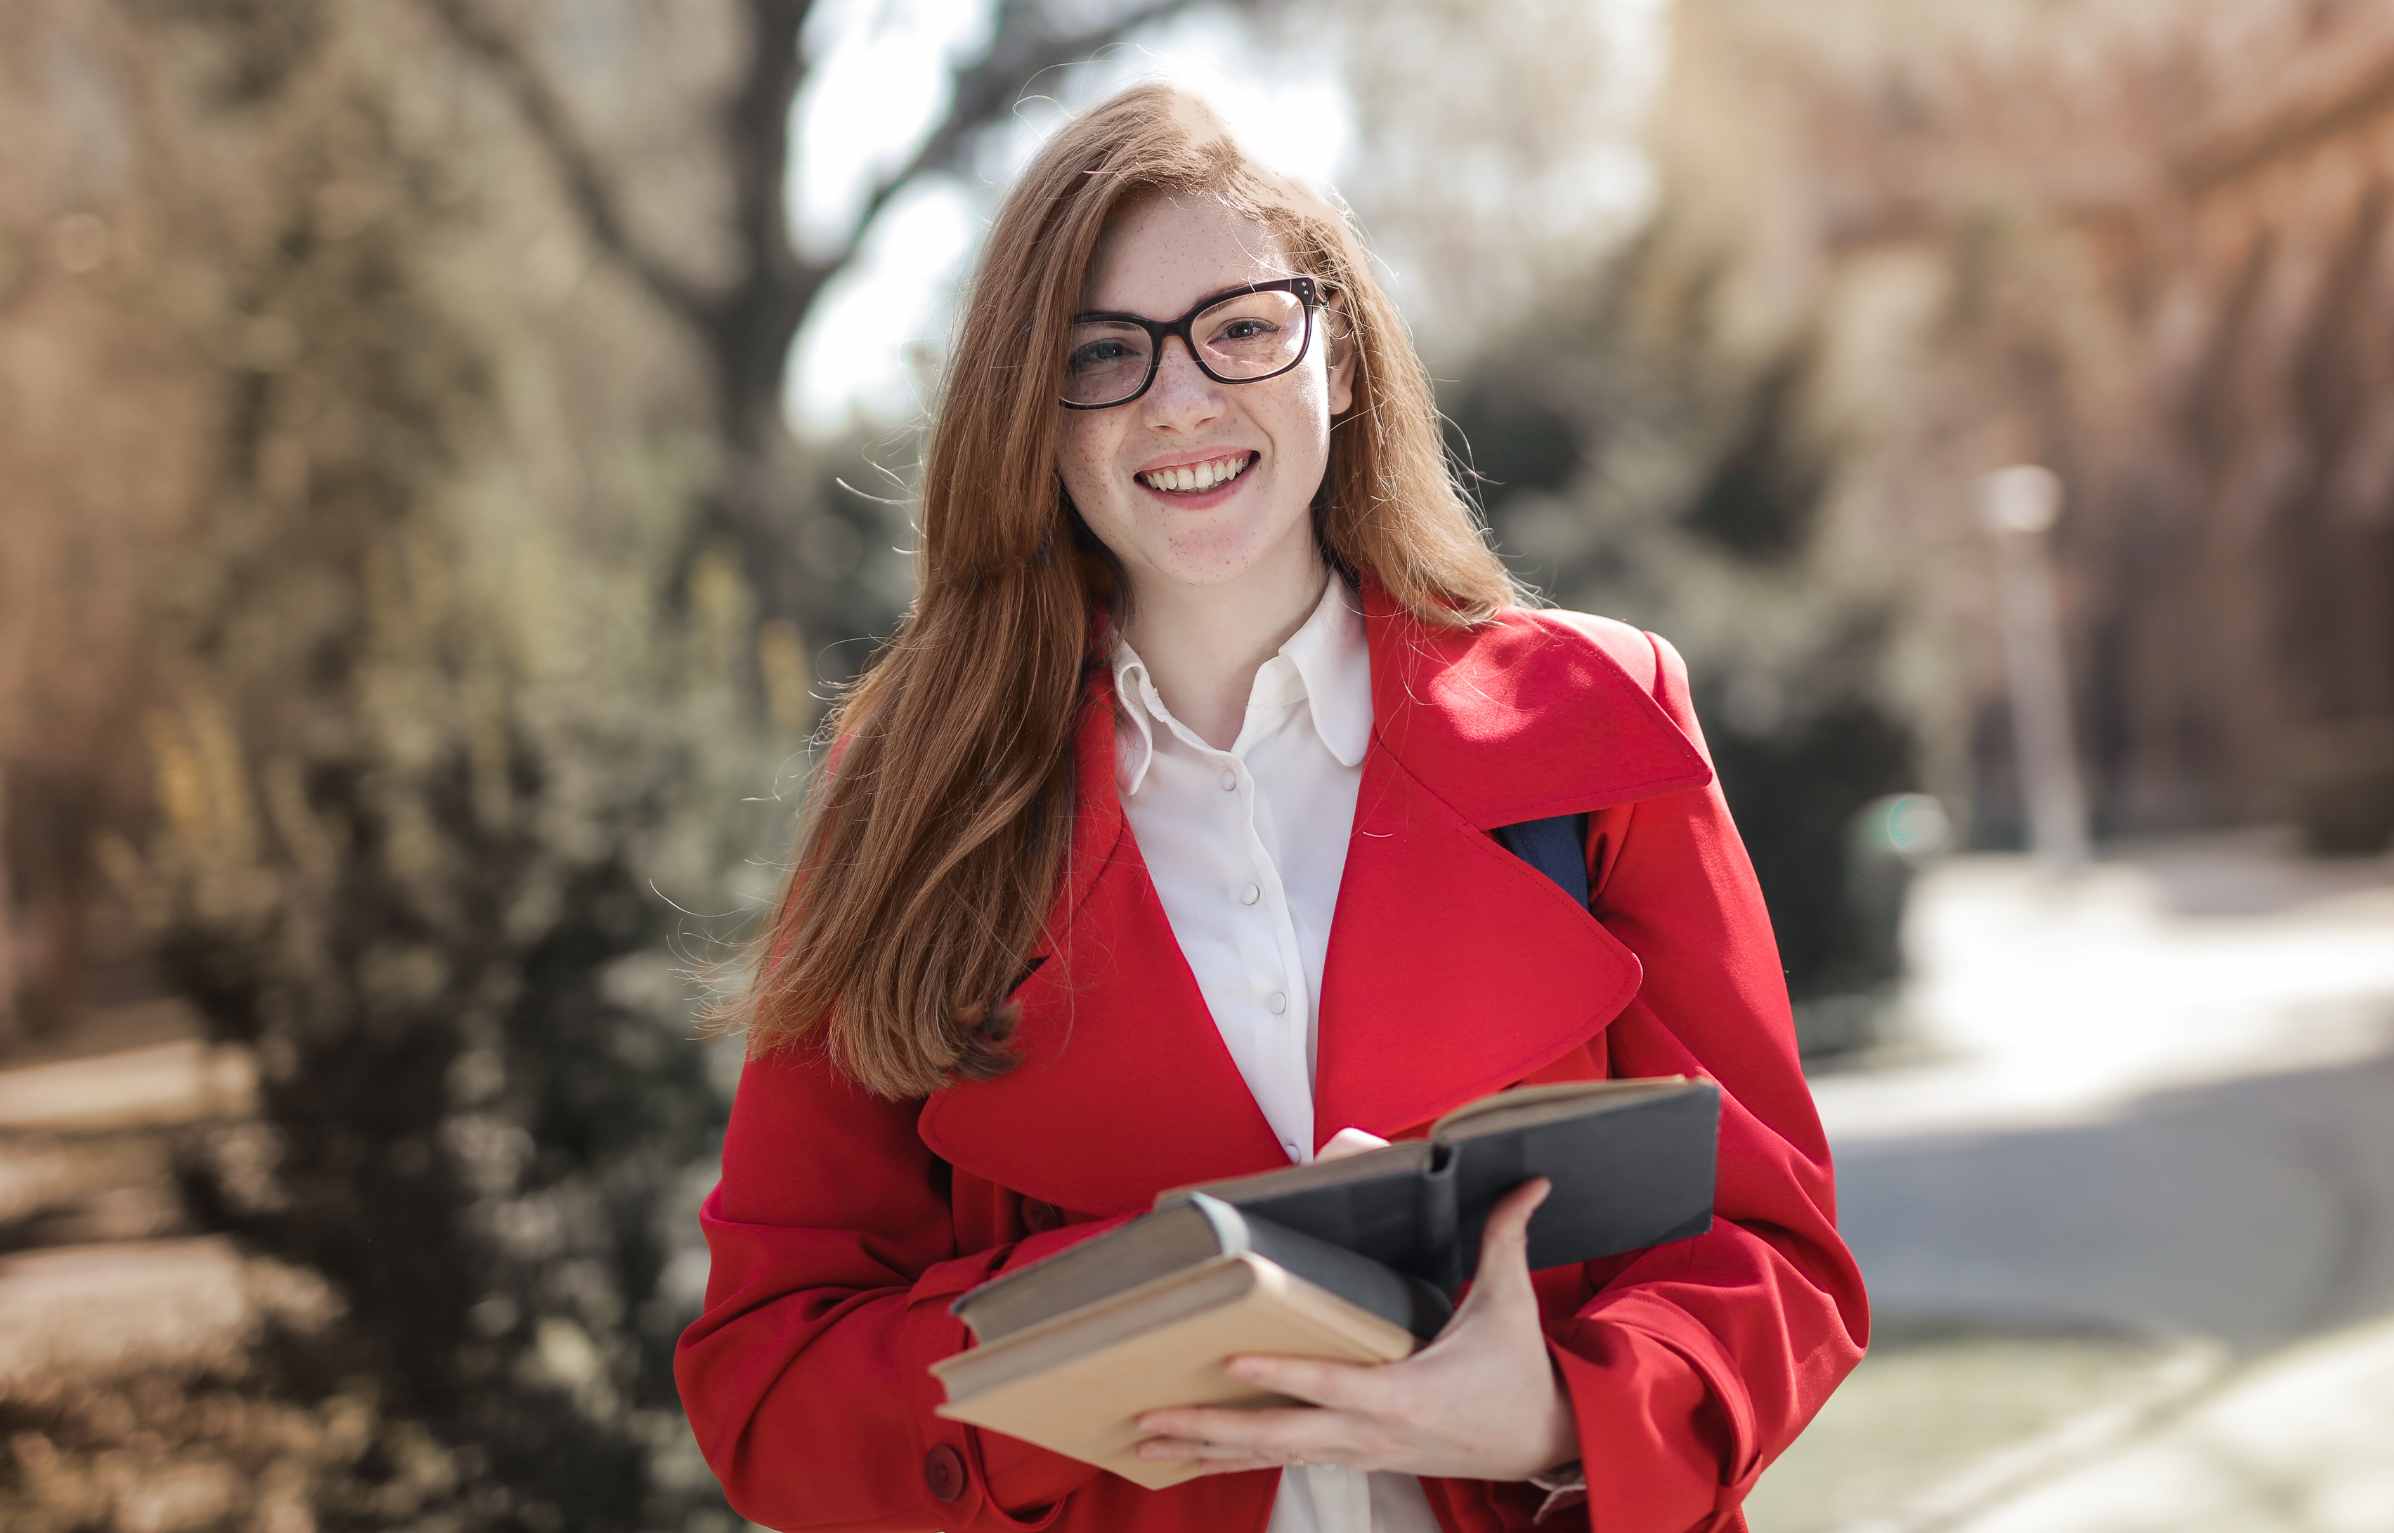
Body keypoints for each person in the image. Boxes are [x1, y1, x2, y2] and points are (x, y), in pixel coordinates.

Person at [673, 79, 1868, 1533]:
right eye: (1100, 354)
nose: (1180, 397)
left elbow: (1775, 1253)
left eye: (1240, 328)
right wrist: (1107, 1335)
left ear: (1341, 357)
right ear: (1032, 419)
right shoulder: (910, 792)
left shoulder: (1600, 721)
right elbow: (765, 1375)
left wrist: (1556, 1409)